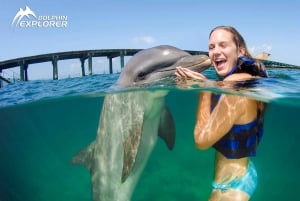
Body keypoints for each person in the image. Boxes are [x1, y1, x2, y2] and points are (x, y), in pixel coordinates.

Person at [175, 25, 268, 201]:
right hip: (238, 176)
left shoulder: (234, 85)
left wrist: (204, 88)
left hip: (233, 188)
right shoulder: (243, 79)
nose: (215, 51)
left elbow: (201, 141)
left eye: (223, 45)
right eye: (211, 47)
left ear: (240, 51)